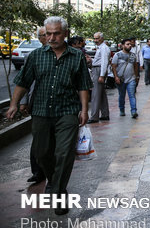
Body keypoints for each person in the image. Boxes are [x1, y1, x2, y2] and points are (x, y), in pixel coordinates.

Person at [5, 16, 92, 215]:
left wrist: (84, 110)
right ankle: (53, 180)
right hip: (41, 112)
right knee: (41, 152)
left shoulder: (76, 56)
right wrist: (14, 104)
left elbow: (83, 86)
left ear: (66, 34)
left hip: (67, 112)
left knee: (64, 153)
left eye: (56, 33)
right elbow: (23, 82)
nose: (52, 37)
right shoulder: (36, 56)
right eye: (48, 33)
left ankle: (60, 194)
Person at [19, 26, 47, 184]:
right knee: (37, 139)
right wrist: (22, 102)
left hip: (60, 106)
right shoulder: (32, 56)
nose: (49, 38)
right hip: (37, 103)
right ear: (39, 38)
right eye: (45, 35)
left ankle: (54, 175)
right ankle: (37, 171)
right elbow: (25, 81)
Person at [111, 38, 140, 118]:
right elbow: (113, 66)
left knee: (132, 95)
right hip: (121, 79)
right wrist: (116, 77)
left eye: (130, 44)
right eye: (127, 44)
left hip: (131, 79)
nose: (129, 45)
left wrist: (136, 76)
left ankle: (134, 111)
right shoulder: (117, 55)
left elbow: (135, 66)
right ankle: (122, 110)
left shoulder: (133, 55)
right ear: (123, 45)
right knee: (122, 95)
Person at [88, 32, 110, 123]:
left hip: (99, 70)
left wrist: (101, 75)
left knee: (96, 94)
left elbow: (104, 62)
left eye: (97, 38)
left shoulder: (104, 48)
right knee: (101, 94)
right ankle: (105, 114)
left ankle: (94, 116)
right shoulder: (100, 48)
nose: (95, 40)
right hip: (97, 69)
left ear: (101, 38)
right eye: (95, 38)